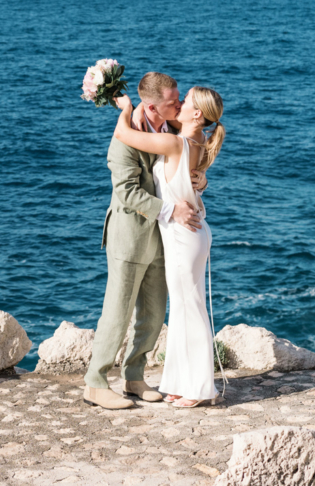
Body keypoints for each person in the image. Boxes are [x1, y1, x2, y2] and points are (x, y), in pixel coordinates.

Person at [83, 72, 208, 410]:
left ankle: (134, 377)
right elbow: (127, 193)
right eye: (173, 102)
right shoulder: (124, 139)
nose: (180, 104)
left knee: (153, 315)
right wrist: (173, 211)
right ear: (153, 106)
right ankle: (95, 383)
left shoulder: (171, 130)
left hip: (164, 239)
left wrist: (199, 179)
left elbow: (179, 168)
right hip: (130, 237)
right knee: (118, 312)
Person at [112, 85, 225, 407]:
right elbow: (170, 122)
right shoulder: (199, 139)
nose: (179, 105)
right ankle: (179, 383)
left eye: (185, 101)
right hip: (190, 233)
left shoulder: (175, 144)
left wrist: (125, 107)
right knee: (183, 310)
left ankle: (200, 389)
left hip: (182, 235)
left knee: (191, 310)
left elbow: (124, 134)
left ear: (196, 113)